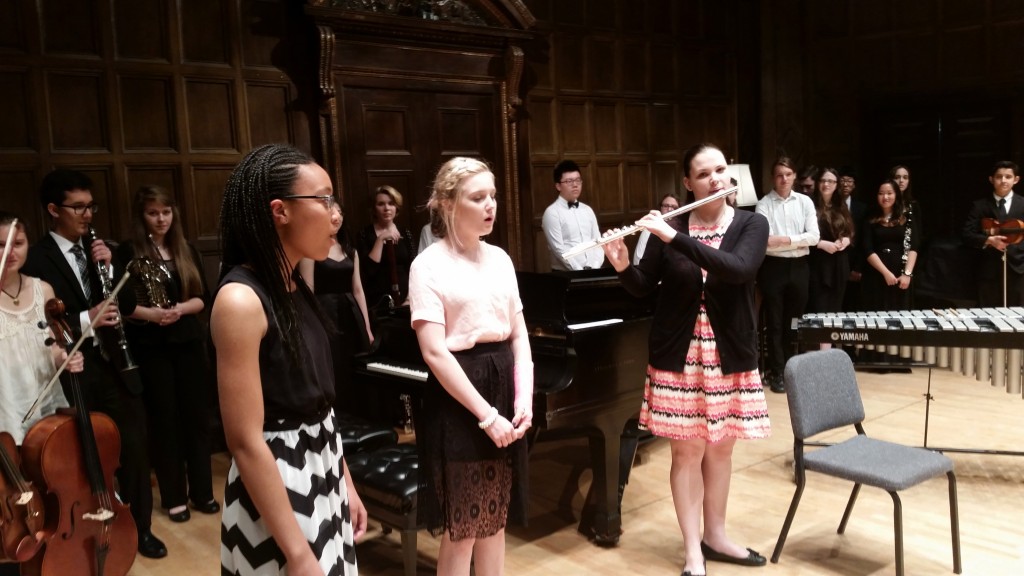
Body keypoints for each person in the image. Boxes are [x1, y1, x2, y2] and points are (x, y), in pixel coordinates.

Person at [602, 143, 770, 576]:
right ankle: (693, 550)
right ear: (687, 183)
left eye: (720, 170)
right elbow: (644, 286)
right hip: (679, 356)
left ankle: (716, 535)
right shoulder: (670, 228)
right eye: (703, 174)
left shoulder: (752, 223)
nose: (715, 179)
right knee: (686, 455)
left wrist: (673, 236)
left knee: (720, 452)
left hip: (728, 353)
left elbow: (737, 269)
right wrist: (622, 264)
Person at [213, 144, 366, 575]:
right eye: (324, 199)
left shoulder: (293, 285)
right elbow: (244, 440)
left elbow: (320, 406)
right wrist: (298, 553)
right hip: (278, 488)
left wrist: (345, 483)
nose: (336, 215)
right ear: (280, 211)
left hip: (321, 470)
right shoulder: (241, 299)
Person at [21, 168, 166, 559]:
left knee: (135, 452)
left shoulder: (102, 250)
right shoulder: (36, 259)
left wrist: (114, 266)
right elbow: (38, 323)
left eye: (91, 206)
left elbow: (129, 304)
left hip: (119, 368)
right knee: (88, 458)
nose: (88, 215)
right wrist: (88, 317)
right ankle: (99, 534)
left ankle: (141, 530)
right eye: (78, 207)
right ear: (54, 209)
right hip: (77, 373)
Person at [409, 157, 532, 576]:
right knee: (463, 527)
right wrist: (487, 416)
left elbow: (519, 336)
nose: (490, 205)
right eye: (478, 197)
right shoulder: (427, 265)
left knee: (495, 520)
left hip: (502, 385)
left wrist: (524, 397)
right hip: (461, 396)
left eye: (492, 196)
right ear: (447, 204)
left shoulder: (499, 258)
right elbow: (435, 353)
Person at [116, 185, 218, 524]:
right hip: (152, 347)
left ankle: (202, 492)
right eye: (153, 213)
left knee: (197, 419)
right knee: (165, 421)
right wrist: (154, 316)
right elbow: (124, 305)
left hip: (188, 342)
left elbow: (203, 297)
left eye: (166, 212)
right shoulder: (129, 252)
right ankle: (174, 496)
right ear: (141, 215)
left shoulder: (185, 248)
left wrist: (179, 310)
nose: (161, 219)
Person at [0, 213, 83, 444]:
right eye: (1, 245)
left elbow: (52, 346)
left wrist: (65, 358)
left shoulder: (43, 289)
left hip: (44, 401)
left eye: (18, 244)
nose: (10, 252)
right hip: (5, 407)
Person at [298, 202, 375, 411]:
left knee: (354, 363)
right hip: (324, 311)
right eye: (332, 211)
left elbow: (358, 289)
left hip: (350, 311)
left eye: (340, 212)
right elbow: (307, 290)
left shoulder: (350, 250)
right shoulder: (310, 250)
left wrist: (367, 327)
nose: (337, 216)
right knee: (333, 362)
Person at [755, 157, 819, 393]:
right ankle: (777, 373)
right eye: (780, 174)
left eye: (788, 174)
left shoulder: (805, 203)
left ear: (794, 176)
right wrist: (797, 241)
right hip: (773, 268)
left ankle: (794, 370)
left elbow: (813, 237)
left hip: (800, 267)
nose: (784, 179)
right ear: (774, 177)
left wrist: (785, 239)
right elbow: (764, 242)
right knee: (774, 323)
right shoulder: (764, 204)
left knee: (794, 322)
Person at [963, 160, 1024, 306]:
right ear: (991, 179)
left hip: (1019, 268)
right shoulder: (979, 206)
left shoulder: (1023, 204)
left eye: (1008, 177)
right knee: (990, 314)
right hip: (988, 271)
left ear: (1016, 180)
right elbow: (967, 234)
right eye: (999, 176)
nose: (1003, 180)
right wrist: (989, 240)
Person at [862, 179, 918, 311]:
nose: (885, 197)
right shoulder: (870, 218)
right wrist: (886, 273)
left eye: (889, 193)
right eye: (881, 193)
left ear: (896, 195)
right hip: (876, 273)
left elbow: (913, 247)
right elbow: (867, 249)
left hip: (901, 273)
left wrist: (907, 274)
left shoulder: (907, 218)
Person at [356, 185, 415, 308]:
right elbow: (368, 270)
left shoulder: (405, 233)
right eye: (381, 204)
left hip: (405, 300)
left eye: (391, 203)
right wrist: (380, 239)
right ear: (374, 208)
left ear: (396, 207)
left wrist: (409, 298)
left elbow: (413, 269)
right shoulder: (364, 234)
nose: (386, 208)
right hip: (376, 301)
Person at [541, 160, 605, 271]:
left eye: (578, 180)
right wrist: (579, 270)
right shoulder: (552, 213)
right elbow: (558, 249)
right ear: (558, 186)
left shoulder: (588, 210)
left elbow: (598, 242)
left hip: (593, 271)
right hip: (566, 274)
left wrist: (595, 266)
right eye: (569, 181)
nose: (575, 185)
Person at [807, 167, 854, 315]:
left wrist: (846, 240)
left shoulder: (841, 205)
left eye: (831, 181)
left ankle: (832, 338)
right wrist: (821, 244)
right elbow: (802, 234)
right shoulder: (809, 204)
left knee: (835, 309)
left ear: (836, 184)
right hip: (818, 262)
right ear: (817, 183)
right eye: (823, 180)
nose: (826, 184)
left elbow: (849, 230)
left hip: (839, 263)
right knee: (818, 308)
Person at [634, 193, 680, 265]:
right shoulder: (650, 227)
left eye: (674, 207)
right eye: (666, 206)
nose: (670, 209)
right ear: (660, 208)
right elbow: (638, 257)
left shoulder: (682, 228)